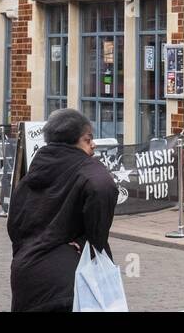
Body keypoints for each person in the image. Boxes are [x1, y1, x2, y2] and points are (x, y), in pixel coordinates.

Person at [7, 108, 118, 311]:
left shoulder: (28, 179)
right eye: (88, 139)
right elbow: (103, 186)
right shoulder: (88, 170)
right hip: (68, 284)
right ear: (78, 140)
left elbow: (15, 228)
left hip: (25, 275)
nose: (93, 145)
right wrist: (92, 243)